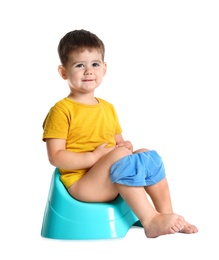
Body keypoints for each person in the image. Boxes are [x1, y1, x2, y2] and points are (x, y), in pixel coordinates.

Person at [42, 29, 198, 238]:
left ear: (104, 69)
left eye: (95, 64)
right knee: (123, 157)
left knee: (145, 154)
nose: (88, 71)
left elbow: (118, 145)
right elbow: (56, 157)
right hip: (83, 186)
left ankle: (165, 214)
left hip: (109, 177)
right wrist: (94, 157)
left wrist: (126, 147)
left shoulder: (108, 108)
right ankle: (150, 220)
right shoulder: (61, 111)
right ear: (63, 72)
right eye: (80, 65)